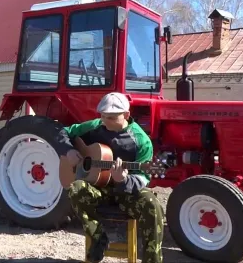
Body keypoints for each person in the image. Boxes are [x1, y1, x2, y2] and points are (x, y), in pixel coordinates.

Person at [58, 92, 164, 263]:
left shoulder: (141, 141)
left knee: (152, 204)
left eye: (112, 118)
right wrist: (68, 150)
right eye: (103, 116)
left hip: (126, 195)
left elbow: (143, 178)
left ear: (127, 115)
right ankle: (98, 238)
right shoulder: (96, 125)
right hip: (98, 189)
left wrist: (123, 180)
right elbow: (63, 132)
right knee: (75, 188)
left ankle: (152, 260)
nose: (106, 121)